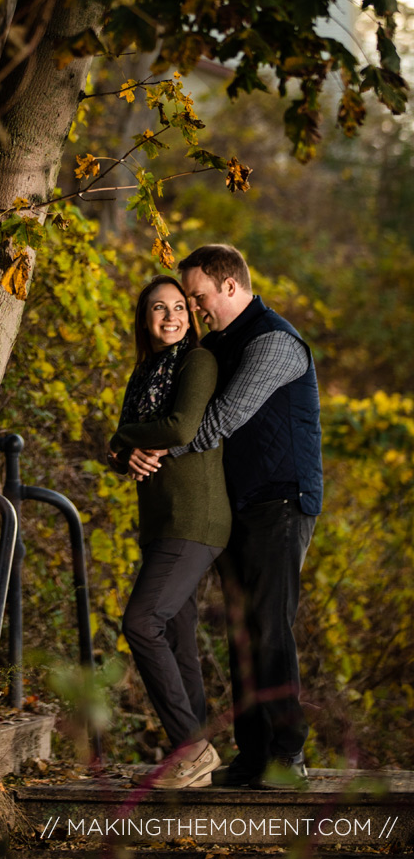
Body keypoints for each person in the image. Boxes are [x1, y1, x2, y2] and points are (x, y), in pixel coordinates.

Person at [128, 244, 322, 789]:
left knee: (269, 628)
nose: (193, 306)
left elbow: (217, 421)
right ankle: (253, 754)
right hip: (237, 504)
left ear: (230, 287)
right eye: (188, 298)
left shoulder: (274, 342)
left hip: (281, 501)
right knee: (240, 633)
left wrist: (150, 449)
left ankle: (288, 755)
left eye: (198, 296)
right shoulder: (217, 343)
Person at [108, 275, 231, 789]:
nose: (171, 316)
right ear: (144, 319)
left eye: (180, 306)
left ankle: (192, 747)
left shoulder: (196, 362)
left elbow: (181, 428)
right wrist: (123, 451)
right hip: (159, 521)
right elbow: (120, 453)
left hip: (194, 517)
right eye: (158, 308)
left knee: (140, 622)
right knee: (178, 639)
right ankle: (194, 757)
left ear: (192, 314)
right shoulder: (143, 372)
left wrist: (120, 437)